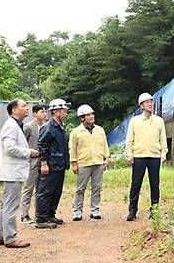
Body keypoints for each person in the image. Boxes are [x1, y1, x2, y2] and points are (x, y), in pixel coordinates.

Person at [0, 99, 40, 248]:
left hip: (11, 172)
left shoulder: (16, 126)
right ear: (14, 110)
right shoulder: (11, 126)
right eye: (24, 106)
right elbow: (10, 148)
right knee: (10, 206)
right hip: (11, 173)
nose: (27, 108)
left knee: (5, 205)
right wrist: (29, 152)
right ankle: (11, 237)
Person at [126, 93, 167, 221]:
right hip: (139, 156)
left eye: (151, 101)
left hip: (154, 156)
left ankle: (154, 211)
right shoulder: (134, 121)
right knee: (136, 184)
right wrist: (129, 154)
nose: (150, 104)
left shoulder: (159, 121)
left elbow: (163, 139)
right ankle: (132, 210)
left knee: (155, 184)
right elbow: (129, 139)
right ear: (141, 106)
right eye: (147, 102)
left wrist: (163, 153)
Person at [69, 104, 109, 221]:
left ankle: (95, 210)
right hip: (83, 163)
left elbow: (105, 145)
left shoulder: (100, 130)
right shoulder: (76, 132)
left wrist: (106, 158)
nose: (91, 116)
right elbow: (73, 149)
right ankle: (77, 211)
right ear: (82, 118)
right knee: (80, 188)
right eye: (88, 115)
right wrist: (74, 164)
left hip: (98, 162)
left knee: (96, 187)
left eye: (92, 114)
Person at [35, 98, 70, 229]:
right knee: (45, 191)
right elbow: (42, 145)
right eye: (64, 111)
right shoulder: (48, 127)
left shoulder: (60, 126)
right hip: (50, 164)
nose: (66, 113)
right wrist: (44, 163)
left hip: (59, 164)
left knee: (56, 191)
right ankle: (41, 218)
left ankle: (50, 214)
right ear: (56, 112)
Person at [19, 103, 47, 224]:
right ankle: (24, 215)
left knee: (41, 189)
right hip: (32, 161)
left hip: (44, 160)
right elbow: (21, 143)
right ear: (35, 113)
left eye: (45, 112)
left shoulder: (46, 126)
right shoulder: (28, 127)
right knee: (29, 188)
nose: (44, 114)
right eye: (41, 112)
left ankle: (39, 213)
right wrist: (28, 154)